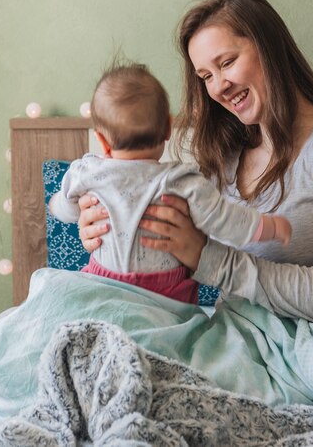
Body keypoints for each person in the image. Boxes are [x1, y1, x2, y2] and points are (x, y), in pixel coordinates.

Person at [78, 0, 313, 324]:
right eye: (206, 76)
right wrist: (110, 227)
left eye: (227, 63)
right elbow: (174, 259)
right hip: (229, 336)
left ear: (269, 49)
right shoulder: (224, 157)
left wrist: (206, 257)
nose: (218, 86)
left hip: (305, 338)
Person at [50, 62, 291, 304]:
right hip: (167, 293)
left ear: (101, 140)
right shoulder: (181, 181)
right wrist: (268, 227)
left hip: (104, 285)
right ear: (168, 128)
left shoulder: (86, 172)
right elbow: (224, 220)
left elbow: (64, 208)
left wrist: (60, 206)